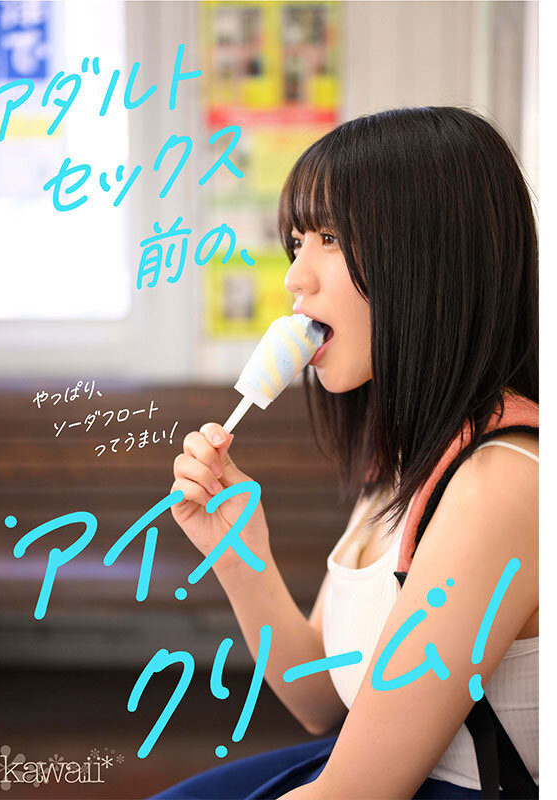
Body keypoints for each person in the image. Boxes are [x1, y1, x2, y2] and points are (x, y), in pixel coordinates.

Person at [149, 107, 538, 799]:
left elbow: (356, 791)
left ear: (431, 261)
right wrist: (240, 555)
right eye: (297, 241)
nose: (295, 277)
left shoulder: (499, 482)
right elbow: (323, 701)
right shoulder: (408, 461)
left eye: (329, 238)